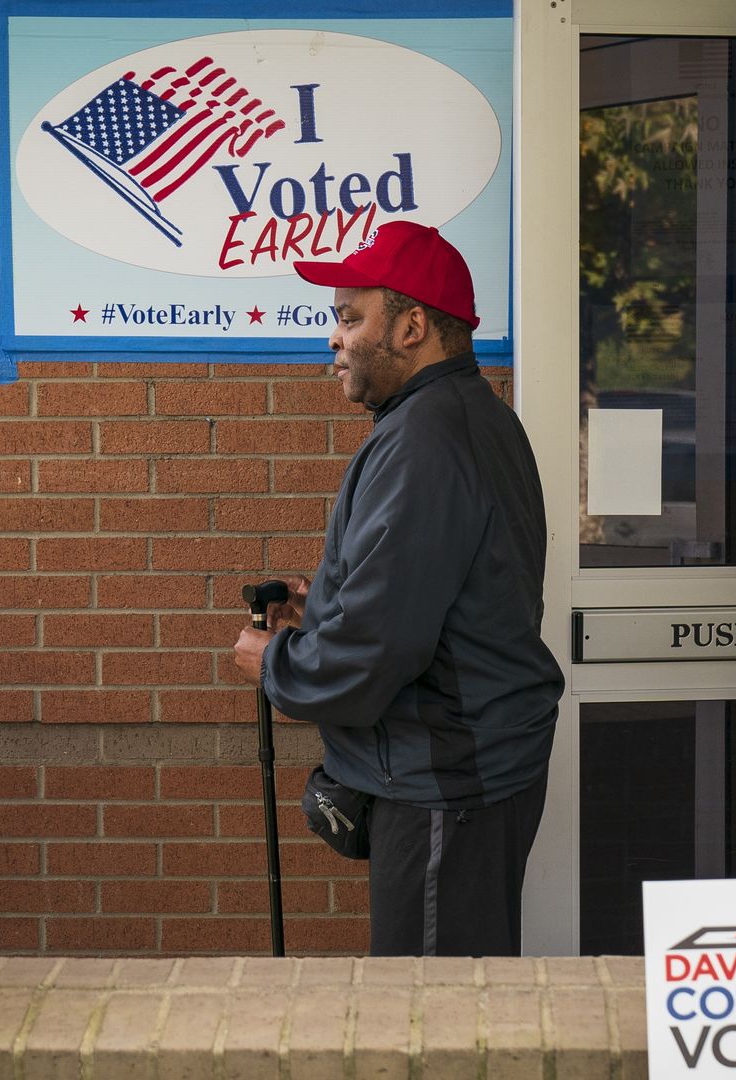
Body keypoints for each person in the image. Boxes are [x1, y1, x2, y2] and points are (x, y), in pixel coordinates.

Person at [231, 220, 564, 957]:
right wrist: (320, 608)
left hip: (444, 782)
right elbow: (445, 594)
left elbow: (379, 646)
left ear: (413, 326)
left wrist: (275, 663)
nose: (333, 339)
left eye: (351, 317)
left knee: (431, 1018)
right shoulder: (467, 417)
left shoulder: (425, 441)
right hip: (464, 768)